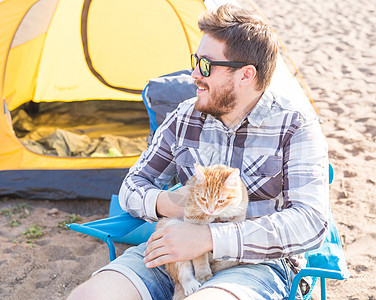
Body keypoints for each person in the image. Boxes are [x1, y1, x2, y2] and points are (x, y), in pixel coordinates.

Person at [68, 4, 329, 300]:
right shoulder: (185, 117)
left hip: (256, 264)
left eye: (206, 65)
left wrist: (210, 238)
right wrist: (170, 205)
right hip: (174, 251)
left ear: (246, 75)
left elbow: (311, 222)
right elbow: (131, 187)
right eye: (195, 61)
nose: (194, 74)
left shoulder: (295, 126)